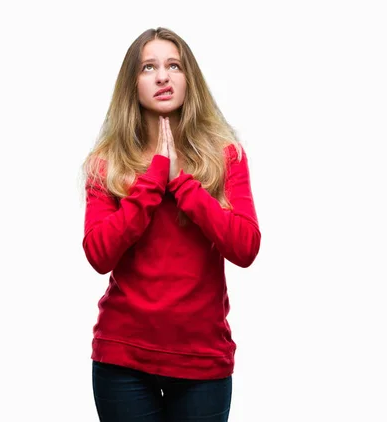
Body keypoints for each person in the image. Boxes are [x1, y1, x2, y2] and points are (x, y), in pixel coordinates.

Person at [81, 27, 261, 422]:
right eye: (149, 67)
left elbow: (245, 247)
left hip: (203, 363)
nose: (163, 76)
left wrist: (182, 184)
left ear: (188, 79)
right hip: (122, 359)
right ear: (133, 84)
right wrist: (154, 178)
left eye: (173, 66)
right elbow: (98, 253)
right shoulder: (106, 162)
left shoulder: (226, 156)